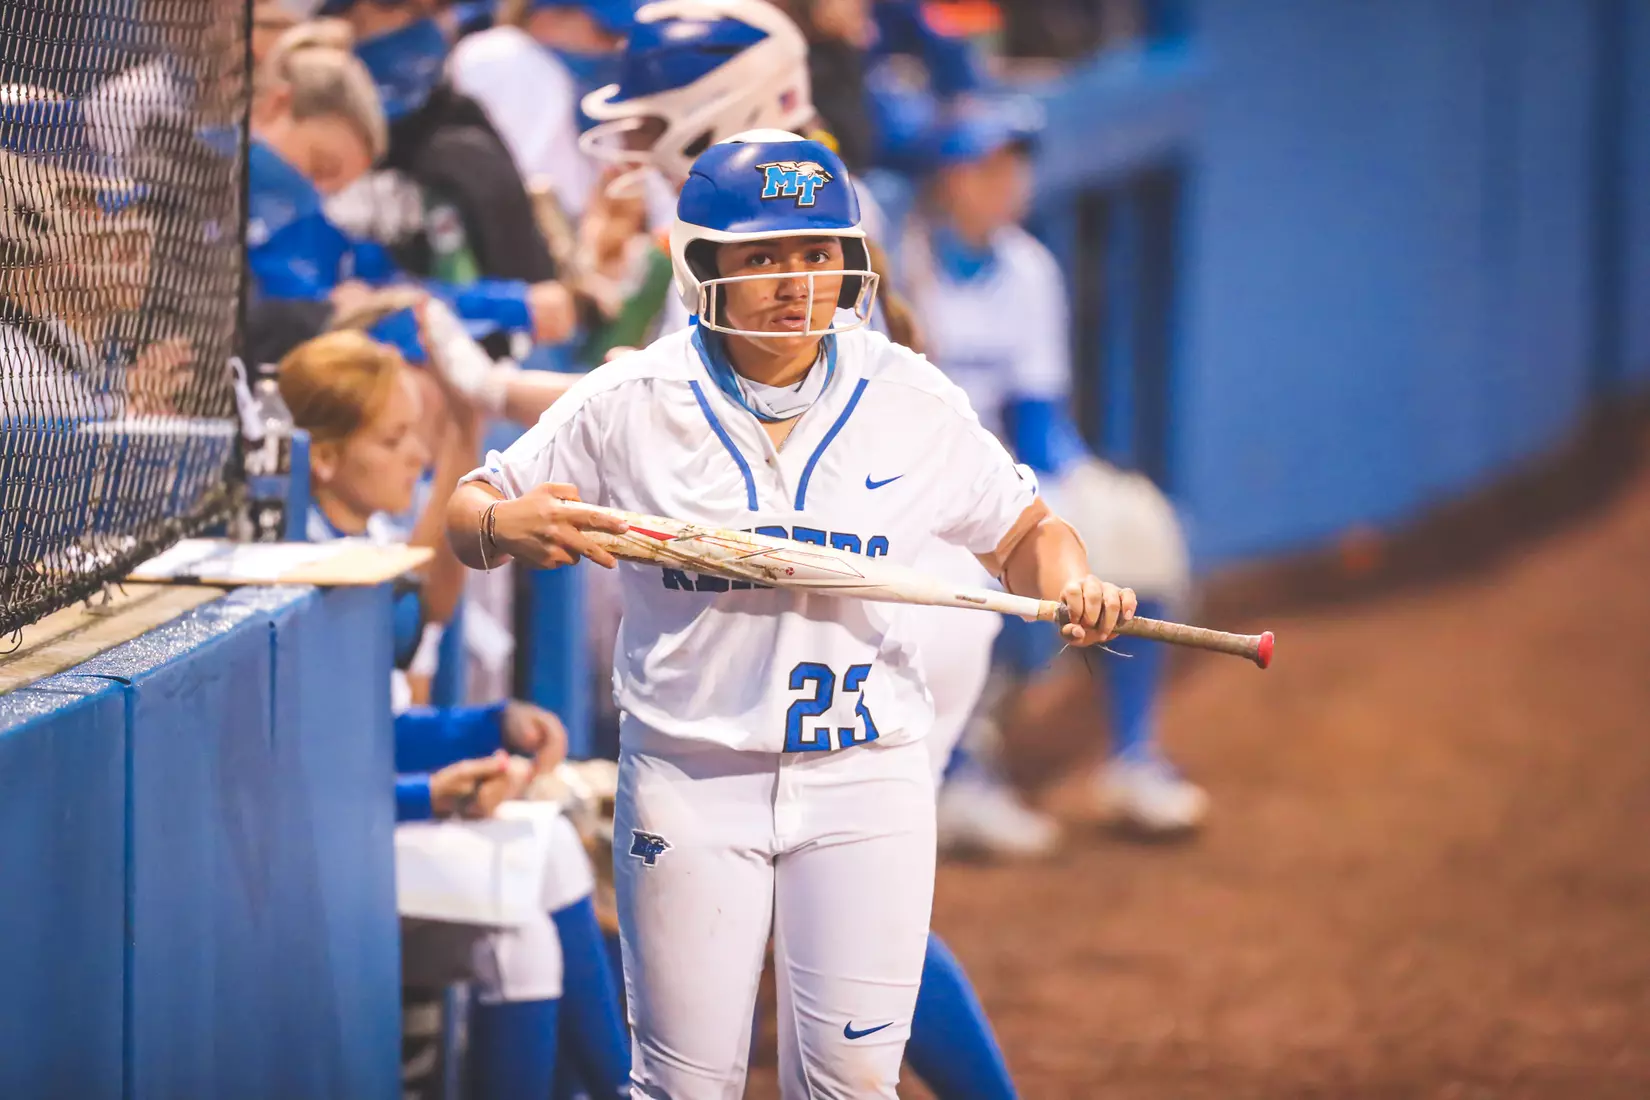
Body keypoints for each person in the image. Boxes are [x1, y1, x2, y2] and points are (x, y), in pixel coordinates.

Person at [445, 130, 1138, 1099]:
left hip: (867, 778)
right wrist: (502, 523)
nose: (794, 280)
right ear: (702, 265)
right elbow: (469, 508)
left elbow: (1027, 528)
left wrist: (1072, 579)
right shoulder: (632, 397)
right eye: (763, 256)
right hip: (691, 776)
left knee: (852, 1082)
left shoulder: (906, 396)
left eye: (816, 252)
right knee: (683, 1086)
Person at [575, 6, 1023, 1094]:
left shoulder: (800, 193)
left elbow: (781, 395)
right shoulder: (697, 197)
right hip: (805, 582)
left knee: (853, 889)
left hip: (877, 584)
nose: (633, 137)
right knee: (819, 899)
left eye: (654, 111)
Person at [278, 328, 633, 1100]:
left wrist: (491, 723)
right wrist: (427, 797)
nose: (417, 458)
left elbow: (373, 735)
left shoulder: (362, 541)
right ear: (324, 457)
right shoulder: (291, 579)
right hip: (313, 863)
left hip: (373, 827)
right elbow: (300, 788)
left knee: (548, 886)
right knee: (527, 933)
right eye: (395, 438)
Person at [906, 99, 1207, 837]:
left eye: (1016, 164)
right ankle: (960, 774)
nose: (1009, 181)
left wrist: (1065, 493)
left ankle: (1133, 756)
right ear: (949, 177)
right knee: (966, 572)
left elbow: (1038, 420)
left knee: (1138, 533)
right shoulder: (901, 260)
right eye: (989, 165)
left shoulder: (1028, 268)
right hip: (913, 482)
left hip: (998, 472)